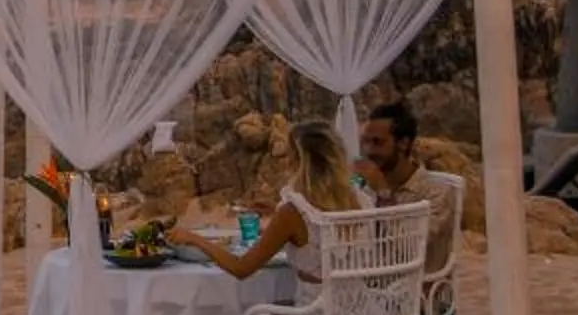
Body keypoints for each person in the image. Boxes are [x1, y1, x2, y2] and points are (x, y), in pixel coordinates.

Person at [170, 119, 360, 284]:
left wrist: (194, 239)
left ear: (298, 161)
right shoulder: (360, 200)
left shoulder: (293, 212)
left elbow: (241, 268)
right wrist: (274, 214)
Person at [358, 99, 456, 276]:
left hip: (419, 294)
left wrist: (383, 194)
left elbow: (410, 246)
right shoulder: (366, 188)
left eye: (377, 142)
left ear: (403, 143)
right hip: (373, 290)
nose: (368, 151)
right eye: (365, 142)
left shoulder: (437, 193)